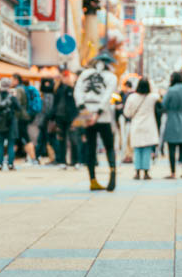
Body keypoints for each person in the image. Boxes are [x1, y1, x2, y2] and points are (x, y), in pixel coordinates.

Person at [74, 53, 117, 191]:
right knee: (109, 146)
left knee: (90, 147)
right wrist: (98, 113)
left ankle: (92, 179)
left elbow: (77, 92)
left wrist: (85, 111)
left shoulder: (85, 74)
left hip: (86, 113)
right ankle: (112, 176)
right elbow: (107, 95)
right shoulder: (111, 77)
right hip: (103, 116)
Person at [123, 78, 160, 180]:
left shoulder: (132, 97)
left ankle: (137, 172)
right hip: (149, 125)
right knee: (147, 150)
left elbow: (127, 113)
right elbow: (157, 94)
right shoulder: (152, 97)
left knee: (137, 149)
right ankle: (146, 172)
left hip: (136, 125)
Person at [0, 78, 21, 171]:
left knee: (0, 144)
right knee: (11, 144)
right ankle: (10, 164)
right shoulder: (12, 97)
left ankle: (0, 163)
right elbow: (19, 108)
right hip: (11, 123)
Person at [162, 71, 182, 179]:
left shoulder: (170, 90)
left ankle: (173, 172)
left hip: (172, 119)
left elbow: (164, 104)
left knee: (172, 148)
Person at [51, 69, 79, 168]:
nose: (65, 78)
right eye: (63, 76)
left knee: (73, 139)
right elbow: (55, 103)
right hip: (60, 117)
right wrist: (52, 116)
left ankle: (75, 161)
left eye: (66, 76)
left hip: (71, 117)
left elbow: (75, 104)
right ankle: (62, 160)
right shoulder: (58, 88)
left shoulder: (73, 89)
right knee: (61, 139)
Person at [11, 74, 38, 166]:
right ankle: (10, 158)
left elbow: (17, 104)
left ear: (16, 80)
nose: (11, 82)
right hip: (24, 116)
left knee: (24, 138)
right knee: (18, 138)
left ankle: (33, 159)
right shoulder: (23, 88)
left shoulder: (18, 90)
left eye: (12, 80)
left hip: (20, 117)